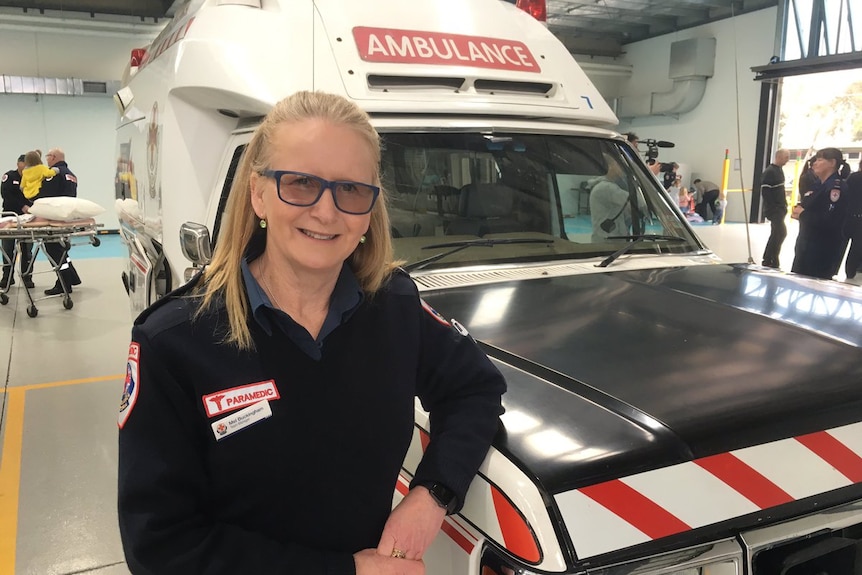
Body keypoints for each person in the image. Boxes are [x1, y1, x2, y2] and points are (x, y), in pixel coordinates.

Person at [117, 91, 506, 575]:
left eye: (351, 190)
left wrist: (431, 496)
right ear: (258, 193)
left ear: (370, 208)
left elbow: (476, 389)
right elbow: (160, 547)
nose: (327, 211)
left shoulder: (393, 306)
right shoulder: (175, 340)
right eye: (300, 183)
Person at [791, 147, 851, 279]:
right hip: (806, 245)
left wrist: (803, 214)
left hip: (821, 250)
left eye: (819, 159)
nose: (814, 163)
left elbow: (829, 220)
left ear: (832, 163)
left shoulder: (835, 188)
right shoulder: (817, 185)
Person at [38, 148, 82, 295]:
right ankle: (72, 278)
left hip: (54, 218)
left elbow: (46, 194)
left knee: (53, 250)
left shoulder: (53, 173)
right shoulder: (71, 174)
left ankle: (63, 283)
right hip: (65, 217)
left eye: (48, 156)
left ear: (54, 157)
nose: (47, 159)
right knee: (61, 250)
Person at [589, 153, 645, 241]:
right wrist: (641, 177)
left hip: (610, 239)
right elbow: (640, 203)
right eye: (618, 164)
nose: (622, 168)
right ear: (610, 167)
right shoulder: (607, 188)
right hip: (610, 243)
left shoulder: (604, 186)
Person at [1, 154, 34, 288]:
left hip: (27, 219)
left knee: (27, 249)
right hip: (10, 217)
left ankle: (27, 276)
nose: (26, 167)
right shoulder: (10, 176)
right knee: (8, 248)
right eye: (24, 164)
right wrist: (22, 206)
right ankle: (7, 277)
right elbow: (6, 194)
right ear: (18, 163)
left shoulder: (32, 178)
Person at [760, 148, 791, 268]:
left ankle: (769, 258)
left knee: (776, 233)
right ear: (778, 157)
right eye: (786, 157)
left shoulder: (779, 170)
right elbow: (766, 192)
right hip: (775, 210)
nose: (788, 160)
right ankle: (771, 257)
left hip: (780, 208)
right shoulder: (770, 172)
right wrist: (774, 208)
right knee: (780, 233)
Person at [843, 161, 862, 279]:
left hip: (848, 215)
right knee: (857, 246)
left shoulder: (852, 177)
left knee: (843, 244)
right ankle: (851, 271)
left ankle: (849, 272)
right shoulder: (855, 178)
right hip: (858, 217)